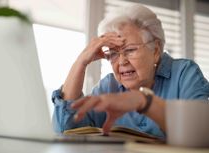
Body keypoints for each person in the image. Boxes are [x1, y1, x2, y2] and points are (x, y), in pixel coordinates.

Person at [51, 4, 209, 138]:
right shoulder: (108, 85)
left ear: (155, 50)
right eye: (113, 53)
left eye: (130, 50)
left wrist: (144, 102)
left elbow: (200, 133)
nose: (121, 61)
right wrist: (81, 62)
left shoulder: (184, 73)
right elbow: (65, 131)